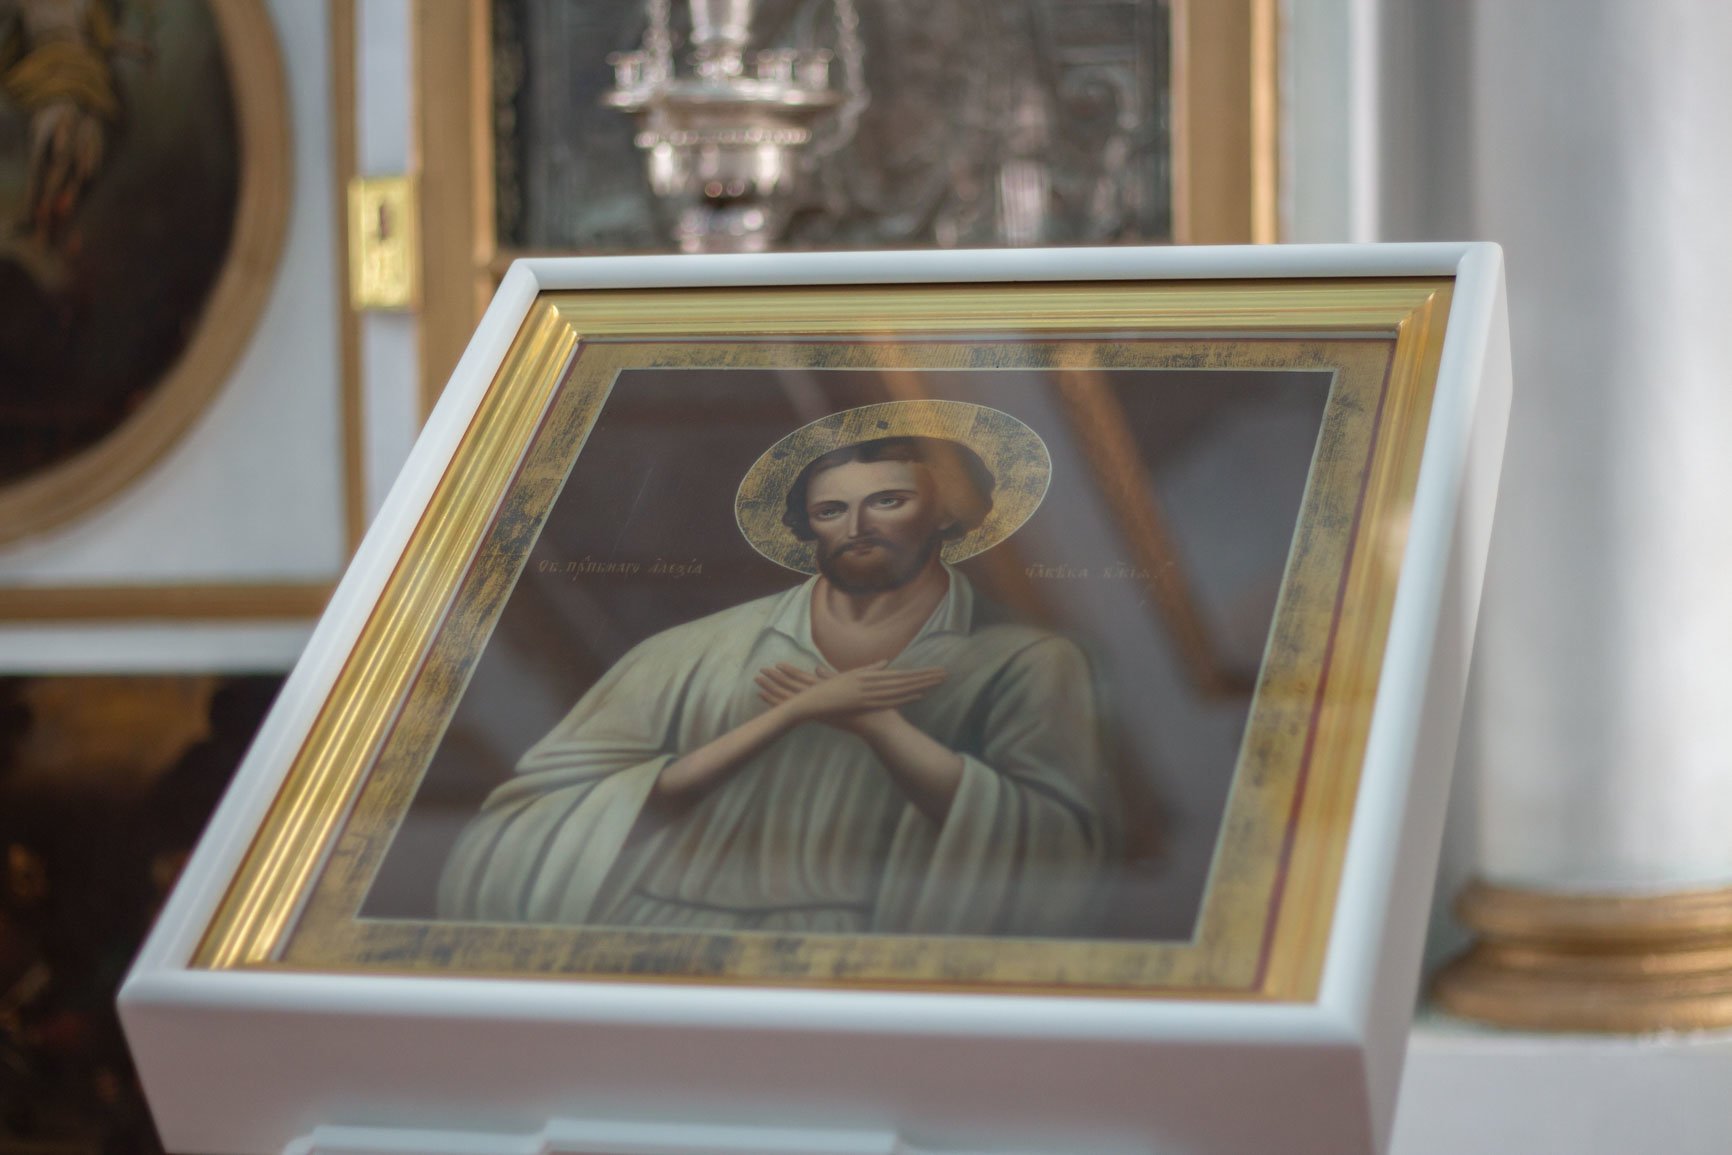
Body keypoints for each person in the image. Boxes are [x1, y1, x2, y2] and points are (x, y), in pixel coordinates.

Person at [437, 431, 1113, 936]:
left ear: (943, 511)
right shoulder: (687, 653)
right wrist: (786, 715)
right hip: (654, 935)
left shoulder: (1026, 662)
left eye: (888, 501)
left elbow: (1050, 840)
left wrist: (880, 728)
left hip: (864, 957)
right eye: (831, 511)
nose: (857, 528)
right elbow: (551, 809)